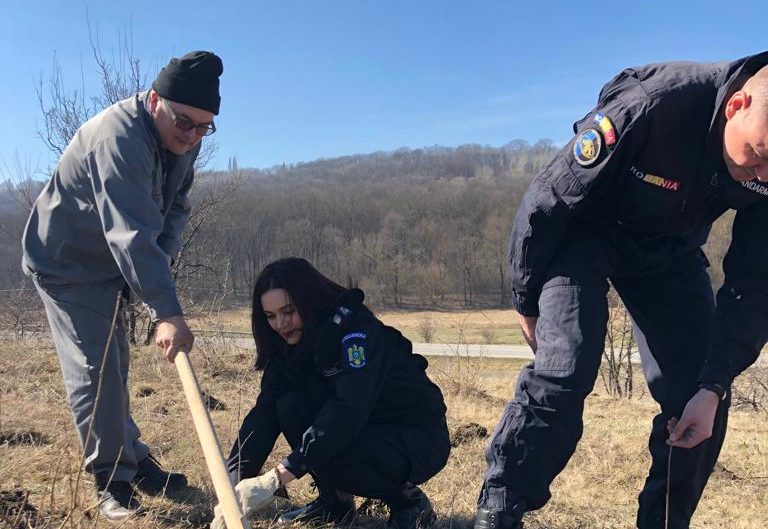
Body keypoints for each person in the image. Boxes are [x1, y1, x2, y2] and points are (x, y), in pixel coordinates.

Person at [474, 50, 768, 529]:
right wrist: (525, 296)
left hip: (670, 251)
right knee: (565, 367)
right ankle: (500, 509)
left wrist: (714, 384)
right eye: (759, 156)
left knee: (699, 395)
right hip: (586, 233)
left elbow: (756, 284)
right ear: (736, 106)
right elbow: (549, 199)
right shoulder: (652, 106)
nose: (764, 177)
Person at [21, 50, 224, 521]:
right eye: (185, 123)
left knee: (116, 363)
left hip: (110, 260)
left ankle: (134, 458)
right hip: (67, 261)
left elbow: (174, 210)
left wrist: (162, 268)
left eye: (203, 127)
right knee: (95, 368)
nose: (192, 136)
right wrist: (165, 309)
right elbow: (130, 231)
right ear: (154, 100)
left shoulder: (180, 138)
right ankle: (111, 478)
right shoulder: (118, 138)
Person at [213, 257, 450, 529]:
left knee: (333, 445)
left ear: (309, 300)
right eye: (270, 316)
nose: (280, 324)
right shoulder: (290, 343)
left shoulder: (357, 334)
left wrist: (277, 477)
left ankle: (409, 502)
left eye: (288, 311)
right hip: (360, 428)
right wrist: (234, 488)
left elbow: (349, 409)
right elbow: (264, 414)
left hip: (414, 436)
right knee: (287, 406)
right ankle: (334, 502)